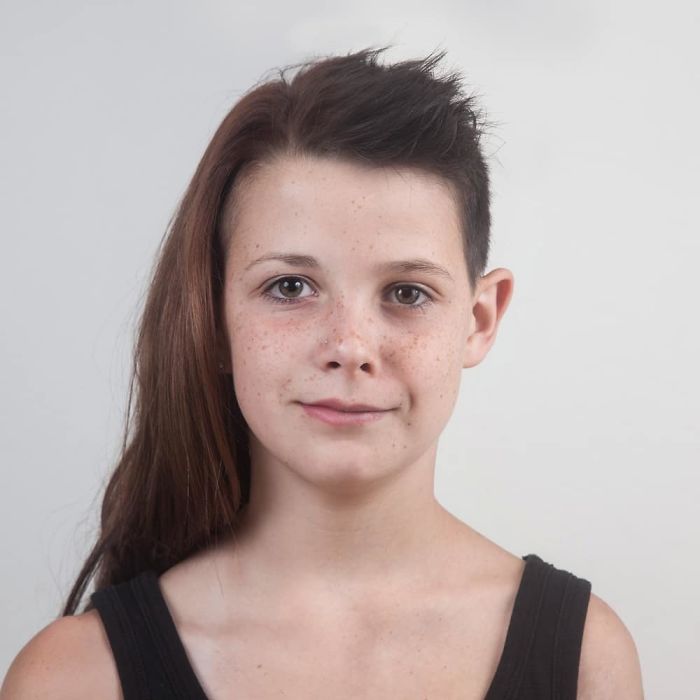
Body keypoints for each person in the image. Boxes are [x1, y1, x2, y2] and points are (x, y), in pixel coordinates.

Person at [1, 46, 643, 699]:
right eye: (290, 287)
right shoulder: (74, 678)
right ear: (211, 316)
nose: (349, 347)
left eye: (407, 293)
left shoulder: (586, 662)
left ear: (479, 319)